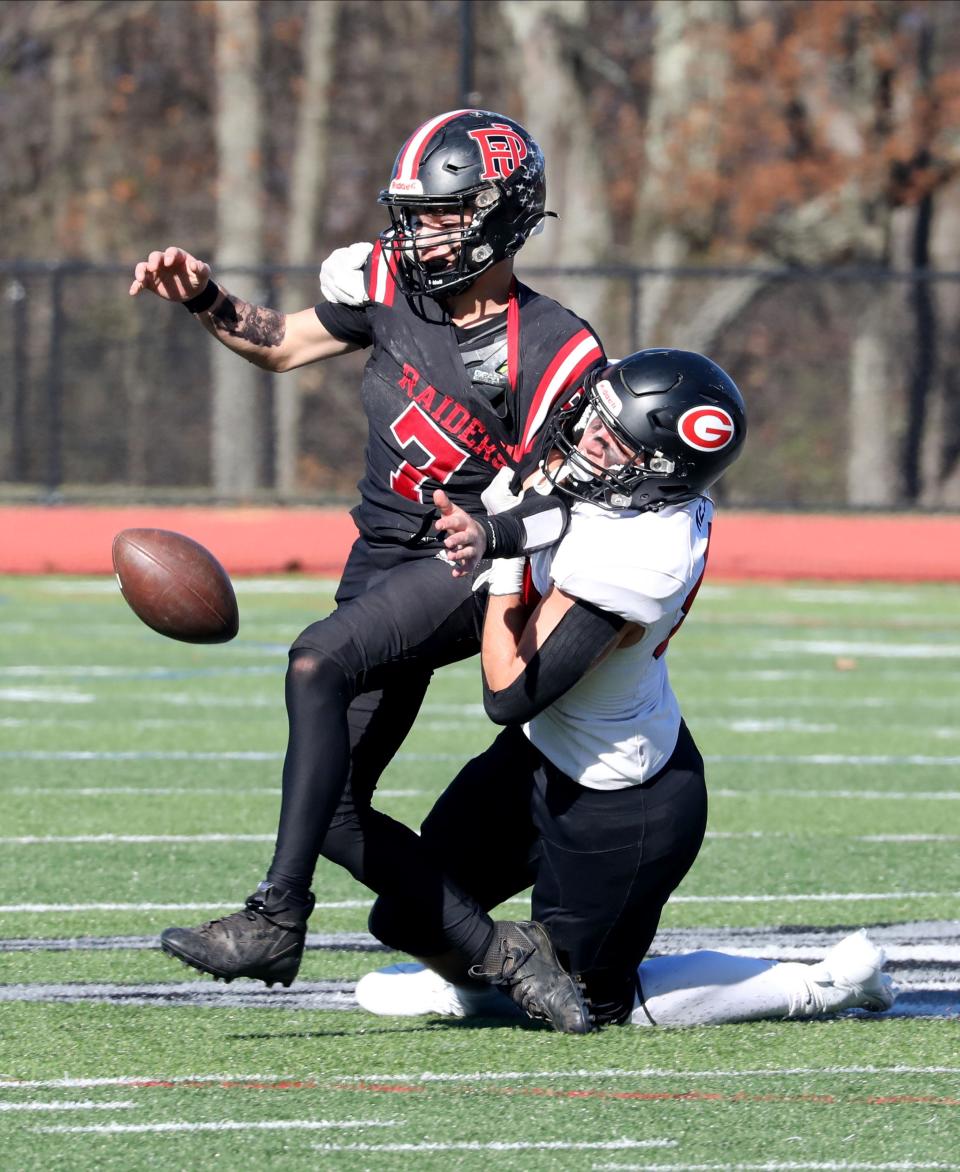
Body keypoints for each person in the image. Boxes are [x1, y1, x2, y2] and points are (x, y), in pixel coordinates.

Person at [129, 109, 603, 1030]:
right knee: (336, 809)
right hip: (379, 558)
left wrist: (496, 529)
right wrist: (204, 297)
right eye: (414, 213)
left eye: (441, 213)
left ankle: (276, 916)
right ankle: (504, 954)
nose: (418, 231)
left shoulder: (557, 346)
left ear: (502, 215)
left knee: (316, 659)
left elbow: (572, 500)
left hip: (466, 565)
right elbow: (277, 344)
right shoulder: (392, 286)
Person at [351, 348, 896, 1029]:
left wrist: (496, 560)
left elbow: (508, 693)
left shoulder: (644, 557)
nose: (585, 440)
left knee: (591, 1006)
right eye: (594, 422)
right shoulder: (621, 493)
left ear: (659, 470)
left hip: (621, 800)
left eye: (611, 439)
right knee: (410, 910)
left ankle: (822, 984)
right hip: (538, 761)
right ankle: (477, 987)